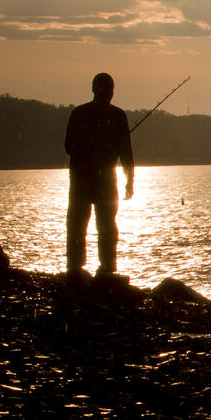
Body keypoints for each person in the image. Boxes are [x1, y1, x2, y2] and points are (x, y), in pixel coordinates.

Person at [65, 72, 134, 283]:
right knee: (96, 224)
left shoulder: (81, 113)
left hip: (89, 179)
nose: (108, 94)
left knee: (89, 223)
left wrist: (130, 179)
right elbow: (126, 153)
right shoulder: (116, 116)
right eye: (106, 89)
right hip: (89, 180)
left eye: (110, 90)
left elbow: (69, 147)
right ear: (95, 90)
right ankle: (96, 267)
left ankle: (86, 266)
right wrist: (129, 180)